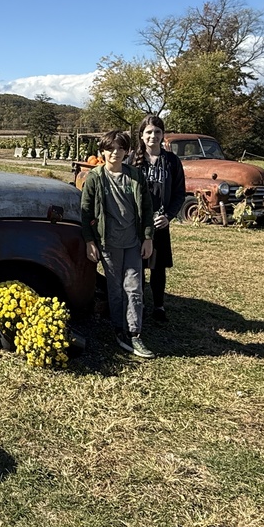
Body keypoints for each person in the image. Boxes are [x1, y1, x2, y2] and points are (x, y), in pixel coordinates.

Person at [80, 130, 156, 359]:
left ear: (127, 151)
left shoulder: (135, 176)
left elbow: (147, 208)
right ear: (102, 151)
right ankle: (118, 330)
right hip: (107, 243)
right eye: (110, 148)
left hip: (132, 242)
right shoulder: (95, 177)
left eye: (120, 148)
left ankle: (134, 333)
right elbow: (85, 211)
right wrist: (89, 241)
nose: (115, 153)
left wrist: (148, 237)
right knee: (115, 289)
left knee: (134, 288)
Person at [130, 115, 186, 323]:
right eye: (149, 132)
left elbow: (180, 193)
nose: (153, 136)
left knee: (157, 266)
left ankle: (158, 306)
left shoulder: (171, 161)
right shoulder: (132, 160)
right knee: (137, 265)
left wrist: (169, 216)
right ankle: (138, 303)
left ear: (163, 135)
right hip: (136, 223)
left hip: (160, 223)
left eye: (158, 132)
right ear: (142, 136)